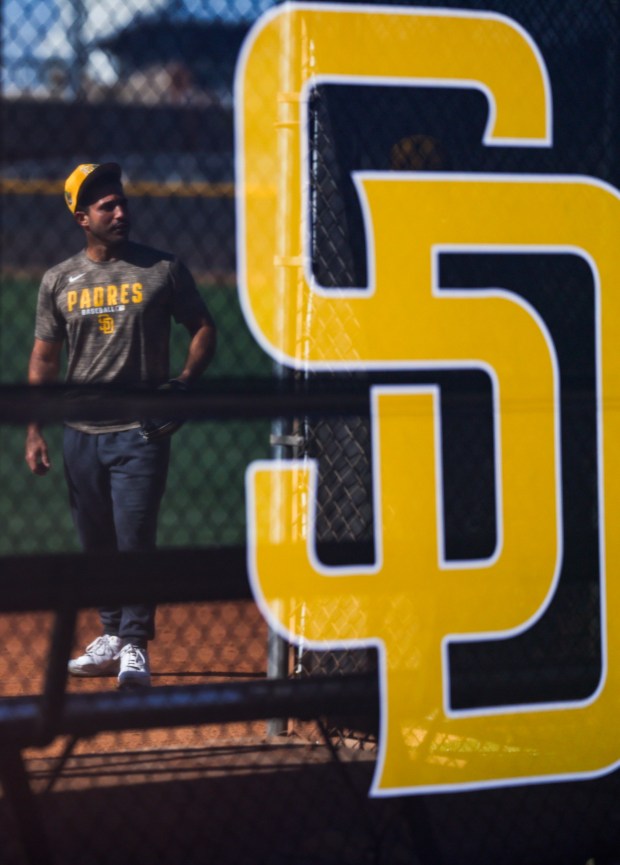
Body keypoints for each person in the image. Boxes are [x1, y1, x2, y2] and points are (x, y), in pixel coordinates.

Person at [24, 162, 216, 688]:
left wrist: (181, 384)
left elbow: (203, 327)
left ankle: (135, 646)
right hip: (79, 435)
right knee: (97, 545)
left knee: (135, 542)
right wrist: (36, 430)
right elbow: (43, 361)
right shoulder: (59, 280)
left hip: (140, 432)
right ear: (81, 217)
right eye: (106, 205)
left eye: (122, 201)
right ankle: (111, 633)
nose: (120, 211)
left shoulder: (162, 269)